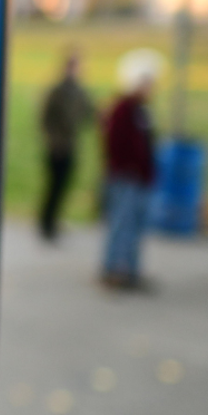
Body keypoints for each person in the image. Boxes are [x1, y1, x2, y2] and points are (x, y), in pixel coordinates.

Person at [101, 48, 163, 290]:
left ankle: (132, 270)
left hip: (141, 179)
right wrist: (128, 168)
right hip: (125, 178)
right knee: (121, 224)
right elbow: (114, 144)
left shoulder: (142, 109)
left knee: (137, 226)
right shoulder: (122, 108)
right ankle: (114, 269)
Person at [38, 49, 95, 241]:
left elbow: (88, 114)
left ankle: (54, 221)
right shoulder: (57, 91)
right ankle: (46, 224)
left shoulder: (80, 91)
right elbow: (45, 119)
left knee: (64, 187)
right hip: (57, 148)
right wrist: (54, 142)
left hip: (71, 145)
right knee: (53, 187)